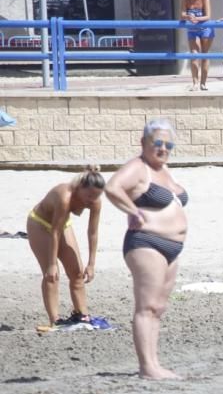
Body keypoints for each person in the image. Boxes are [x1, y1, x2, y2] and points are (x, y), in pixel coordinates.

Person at [105, 119, 188, 380]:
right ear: (144, 143)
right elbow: (112, 187)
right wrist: (133, 211)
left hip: (172, 248)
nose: (164, 149)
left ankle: (154, 363)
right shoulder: (138, 167)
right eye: (158, 143)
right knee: (146, 306)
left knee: (159, 307)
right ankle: (147, 367)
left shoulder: (165, 170)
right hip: (147, 243)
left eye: (169, 144)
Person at [26, 166, 105, 329]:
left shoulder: (95, 201)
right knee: (52, 275)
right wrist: (52, 264)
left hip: (62, 225)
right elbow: (54, 231)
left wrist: (91, 264)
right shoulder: (65, 197)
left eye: (96, 196)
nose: (92, 200)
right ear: (79, 188)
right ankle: (54, 320)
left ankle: (82, 315)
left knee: (77, 273)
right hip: (40, 223)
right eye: (89, 195)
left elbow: (93, 232)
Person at [181, 0, 214, 91]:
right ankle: (195, 83)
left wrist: (196, 18)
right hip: (192, 29)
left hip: (205, 28)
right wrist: (188, 17)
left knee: (205, 55)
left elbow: (208, 16)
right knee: (194, 55)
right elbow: (182, 14)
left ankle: (203, 83)